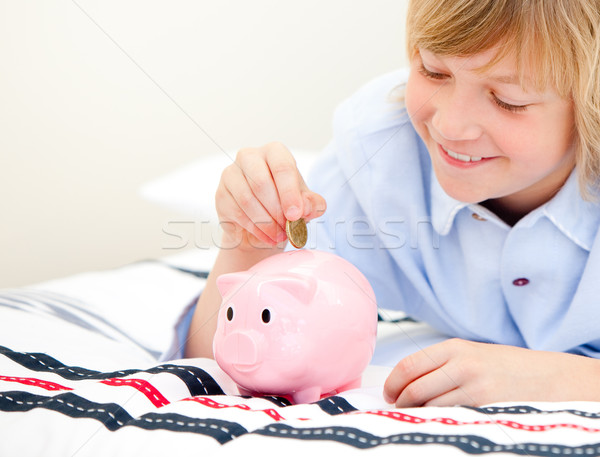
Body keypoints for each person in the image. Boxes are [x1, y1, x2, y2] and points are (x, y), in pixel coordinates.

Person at [185, 0, 600, 407]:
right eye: (433, 71)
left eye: (508, 100)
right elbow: (224, 356)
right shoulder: (380, 150)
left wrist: (551, 376)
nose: (449, 125)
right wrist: (248, 243)